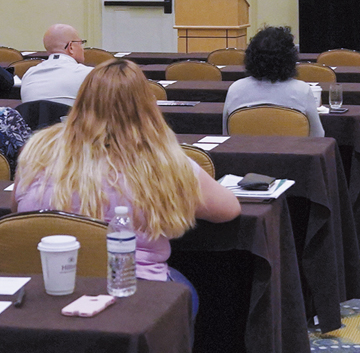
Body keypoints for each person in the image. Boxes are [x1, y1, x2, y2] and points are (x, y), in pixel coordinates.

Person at [12, 59, 241, 314]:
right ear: (146, 106)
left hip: (45, 287)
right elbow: (228, 210)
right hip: (131, 288)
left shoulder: (37, 150)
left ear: (82, 99)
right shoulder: (164, 161)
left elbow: (18, 213)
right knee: (191, 291)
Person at [223, 25, 325, 137]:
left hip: (243, 153)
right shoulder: (302, 90)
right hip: (293, 153)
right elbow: (318, 136)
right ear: (290, 58)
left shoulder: (235, 88)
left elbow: (226, 133)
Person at [20, 24, 92, 105]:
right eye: (81, 43)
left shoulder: (29, 75)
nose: (83, 49)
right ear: (71, 47)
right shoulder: (89, 75)